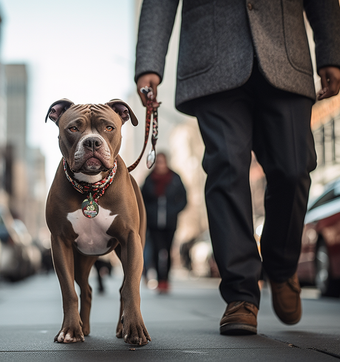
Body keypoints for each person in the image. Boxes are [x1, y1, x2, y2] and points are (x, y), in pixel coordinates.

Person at [135, 1, 340, 335]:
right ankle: (241, 294)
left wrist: (331, 51)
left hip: (286, 54)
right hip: (211, 59)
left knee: (293, 168)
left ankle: (282, 264)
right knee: (226, 167)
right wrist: (149, 61)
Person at [141, 152, 187, 294]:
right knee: (156, 250)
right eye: (158, 162)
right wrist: (149, 212)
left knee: (167, 250)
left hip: (170, 221)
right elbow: (142, 200)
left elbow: (184, 199)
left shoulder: (175, 178)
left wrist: (174, 210)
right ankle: (159, 279)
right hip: (154, 223)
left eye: (162, 161)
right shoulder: (149, 179)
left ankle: (166, 280)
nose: (160, 164)